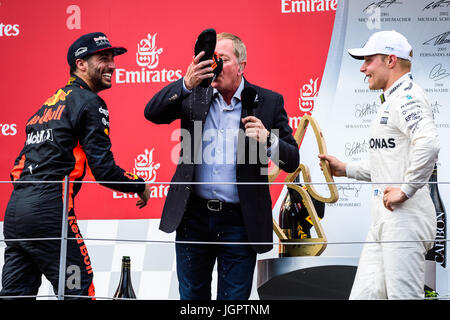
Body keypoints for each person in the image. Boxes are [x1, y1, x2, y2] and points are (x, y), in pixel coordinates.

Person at [145, 32, 299, 299]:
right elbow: (152, 112)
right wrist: (185, 83)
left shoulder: (268, 101)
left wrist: (268, 140)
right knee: (192, 299)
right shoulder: (195, 95)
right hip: (193, 219)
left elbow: (292, 160)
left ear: (241, 66)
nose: (214, 66)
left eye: (223, 60)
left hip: (240, 222)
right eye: (211, 59)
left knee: (234, 301)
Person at [0, 32, 151, 299]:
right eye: (103, 58)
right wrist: (138, 184)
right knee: (78, 289)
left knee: (15, 295)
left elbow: (16, 168)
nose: (113, 65)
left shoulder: (44, 108)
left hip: (16, 215)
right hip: (50, 213)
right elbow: (104, 170)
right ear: (81, 64)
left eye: (113, 59)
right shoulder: (90, 102)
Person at [319, 30, 439, 299]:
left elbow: (428, 144)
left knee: (403, 297)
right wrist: (345, 169)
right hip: (386, 217)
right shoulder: (392, 100)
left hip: (405, 216)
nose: (362, 68)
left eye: (368, 60)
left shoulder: (408, 97)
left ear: (391, 60)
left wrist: (405, 190)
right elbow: (389, 164)